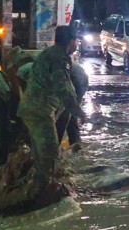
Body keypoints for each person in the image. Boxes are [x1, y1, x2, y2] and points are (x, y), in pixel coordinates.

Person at [17, 26, 84, 192]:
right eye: (76, 41)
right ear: (71, 42)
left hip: (30, 109)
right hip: (40, 112)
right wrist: (78, 111)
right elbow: (64, 88)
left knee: (39, 154)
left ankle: (32, 188)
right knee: (50, 156)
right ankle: (44, 194)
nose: (76, 44)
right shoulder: (59, 59)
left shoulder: (48, 53)